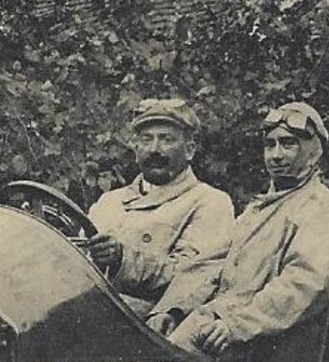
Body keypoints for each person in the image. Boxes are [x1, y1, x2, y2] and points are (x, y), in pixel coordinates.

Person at [168, 100, 329, 358]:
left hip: (268, 345)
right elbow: (209, 264)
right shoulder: (257, 210)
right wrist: (172, 309)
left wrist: (235, 325)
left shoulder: (322, 209)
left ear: (314, 151)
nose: (276, 155)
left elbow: (303, 285)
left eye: (288, 143)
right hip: (219, 326)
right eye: (270, 145)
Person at [85, 98, 234, 331]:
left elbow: (194, 276)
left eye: (167, 139)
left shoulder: (209, 202)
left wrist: (122, 259)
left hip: (151, 332)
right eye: (146, 139)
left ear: (189, 150)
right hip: (85, 322)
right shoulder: (109, 202)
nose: (155, 149)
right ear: (135, 149)